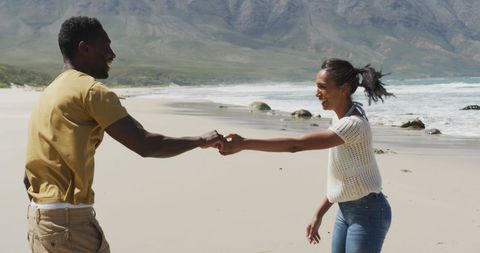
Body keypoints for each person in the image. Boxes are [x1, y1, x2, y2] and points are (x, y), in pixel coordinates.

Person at [24, 16, 223, 253]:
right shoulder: (91, 91)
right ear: (84, 48)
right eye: (105, 46)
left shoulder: (50, 92)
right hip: (68, 224)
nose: (112, 54)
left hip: (39, 220)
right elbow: (145, 144)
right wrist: (201, 140)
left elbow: (27, 176)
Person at [218, 58, 393, 253]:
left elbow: (296, 145)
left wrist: (244, 144)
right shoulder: (338, 118)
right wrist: (319, 213)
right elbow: (345, 178)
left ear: (343, 89)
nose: (317, 93)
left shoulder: (353, 125)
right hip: (345, 211)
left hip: (368, 212)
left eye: (323, 87)